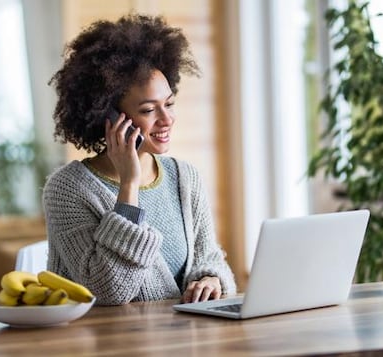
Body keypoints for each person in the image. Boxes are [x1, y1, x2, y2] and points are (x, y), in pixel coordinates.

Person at [43, 14, 237, 306]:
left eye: (169, 104)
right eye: (148, 110)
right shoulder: (67, 189)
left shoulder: (185, 177)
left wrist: (211, 279)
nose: (167, 119)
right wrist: (129, 185)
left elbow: (208, 257)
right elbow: (107, 290)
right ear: (108, 116)